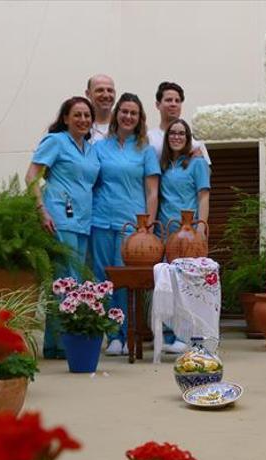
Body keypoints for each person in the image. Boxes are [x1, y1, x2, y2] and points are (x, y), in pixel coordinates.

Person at [25, 97, 101, 359]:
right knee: (63, 279)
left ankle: (64, 341)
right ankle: (59, 344)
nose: (83, 120)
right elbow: (31, 175)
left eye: (87, 116)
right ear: (66, 118)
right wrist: (41, 210)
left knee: (76, 279)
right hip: (58, 216)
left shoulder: (91, 149)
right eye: (77, 115)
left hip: (83, 220)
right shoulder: (55, 141)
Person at [91, 93, 160, 356]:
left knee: (125, 280)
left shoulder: (146, 149)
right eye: (124, 111)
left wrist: (149, 226)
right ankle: (112, 336)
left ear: (140, 118)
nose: (128, 116)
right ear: (117, 114)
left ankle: (126, 333)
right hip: (100, 220)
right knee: (102, 278)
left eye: (134, 113)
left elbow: (152, 191)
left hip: (131, 225)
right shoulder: (100, 147)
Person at [157, 118, 211, 353]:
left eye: (182, 133)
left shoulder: (197, 163)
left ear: (188, 138)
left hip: (188, 233)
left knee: (187, 285)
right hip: (165, 231)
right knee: (169, 285)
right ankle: (173, 334)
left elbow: (203, 196)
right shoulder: (165, 164)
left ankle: (187, 336)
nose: (177, 137)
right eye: (173, 133)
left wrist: (201, 227)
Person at [147, 82, 211, 164]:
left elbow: (205, 172)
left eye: (177, 101)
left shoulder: (195, 141)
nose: (173, 104)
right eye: (168, 100)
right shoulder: (148, 138)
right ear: (157, 105)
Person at [85, 74, 116, 143]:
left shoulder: (125, 126)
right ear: (88, 94)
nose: (106, 95)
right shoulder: (80, 126)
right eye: (100, 90)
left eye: (110, 90)